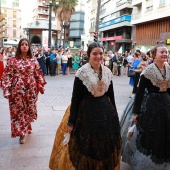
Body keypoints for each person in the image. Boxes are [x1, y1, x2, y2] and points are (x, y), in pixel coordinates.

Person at [49, 42, 121, 170]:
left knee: (103, 146)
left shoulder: (107, 72)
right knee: (86, 146)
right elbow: (75, 98)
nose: (98, 56)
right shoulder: (82, 73)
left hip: (105, 112)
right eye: (94, 54)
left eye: (100, 53)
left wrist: (115, 115)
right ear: (89, 55)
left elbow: (111, 95)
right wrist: (71, 122)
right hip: (86, 112)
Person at [122, 44, 170, 170]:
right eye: (162, 52)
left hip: (166, 104)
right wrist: (136, 112)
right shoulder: (148, 71)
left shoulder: (168, 68)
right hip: (150, 106)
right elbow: (139, 91)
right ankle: (146, 162)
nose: (165, 54)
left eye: (166, 52)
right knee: (150, 134)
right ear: (154, 55)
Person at [1, 38, 46, 144]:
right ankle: (22, 133)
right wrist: (6, 89)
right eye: (22, 44)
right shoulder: (13, 60)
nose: (25, 46)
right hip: (17, 90)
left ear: (29, 46)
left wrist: (41, 85)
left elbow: (38, 73)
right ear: (19, 47)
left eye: (26, 44)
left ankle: (27, 127)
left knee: (29, 110)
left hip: (31, 90)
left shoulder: (33, 59)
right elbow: (7, 75)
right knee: (19, 111)